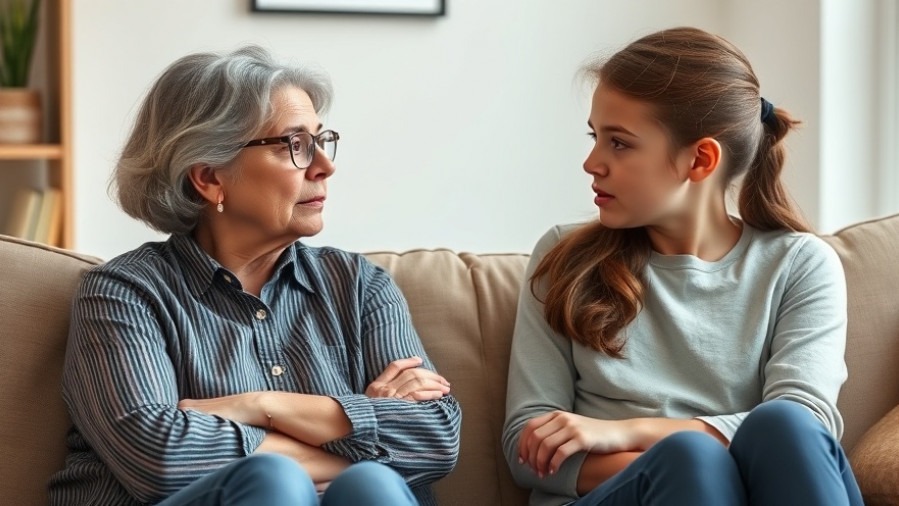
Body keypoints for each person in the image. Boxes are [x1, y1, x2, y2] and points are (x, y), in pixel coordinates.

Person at [49, 46, 460, 506]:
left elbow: (437, 437)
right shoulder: (124, 294)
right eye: (296, 145)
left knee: (373, 486)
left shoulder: (361, 286)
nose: (326, 166)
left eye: (322, 141)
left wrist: (260, 406)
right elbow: (160, 457)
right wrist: (354, 428)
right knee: (273, 481)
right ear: (208, 178)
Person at [502, 27, 862, 506]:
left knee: (784, 424)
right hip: (618, 495)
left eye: (620, 143)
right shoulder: (563, 257)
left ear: (700, 159)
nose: (592, 162)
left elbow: (808, 418)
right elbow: (526, 450)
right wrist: (683, 462)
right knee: (692, 460)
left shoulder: (798, 264)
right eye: (595, 137)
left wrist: (628, 432)